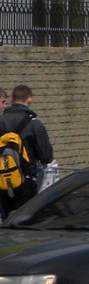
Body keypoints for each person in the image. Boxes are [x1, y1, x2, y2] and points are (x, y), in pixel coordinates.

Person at [0, 85, 54, 218]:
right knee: (25, 218)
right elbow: (46, 156)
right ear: (30, 100)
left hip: (1, 178)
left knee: (6, 219)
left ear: (11, 99)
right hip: (26, 180)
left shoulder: (1, 121)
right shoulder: (34, 124)